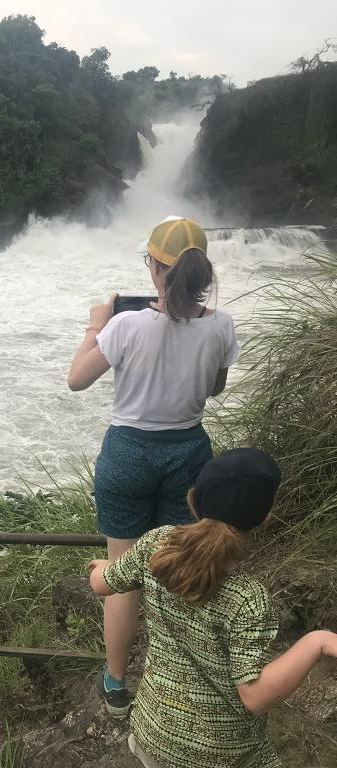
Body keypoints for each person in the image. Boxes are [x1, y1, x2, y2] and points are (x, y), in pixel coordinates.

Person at [67, 215, 241, 716]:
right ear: (201, 272)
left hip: (127, 454)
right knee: (179, 570)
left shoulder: (125, 325)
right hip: (188, 453)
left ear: (157, 269)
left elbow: (77, 379)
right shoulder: (221, 325)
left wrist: (95, 326)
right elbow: (215, 388)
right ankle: (181, 683)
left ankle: (116, 685)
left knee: (124, 572)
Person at [88, 448, 337, 768]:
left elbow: (101, 584)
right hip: (223, 754)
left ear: (192, 500)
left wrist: (104, 567)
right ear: (264, 518)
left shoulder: (156, 543)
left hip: (156, 733)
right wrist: (316, 641)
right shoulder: (247, 599)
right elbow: (254, 695)